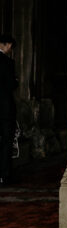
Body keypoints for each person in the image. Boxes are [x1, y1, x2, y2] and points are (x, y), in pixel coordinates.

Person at [0, 34, 17, 186]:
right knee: (6, 142)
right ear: (4, 45)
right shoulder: (8, 63)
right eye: (10, 45)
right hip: (4, 109)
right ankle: (4, 176)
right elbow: (12, 84)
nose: (11, 49)